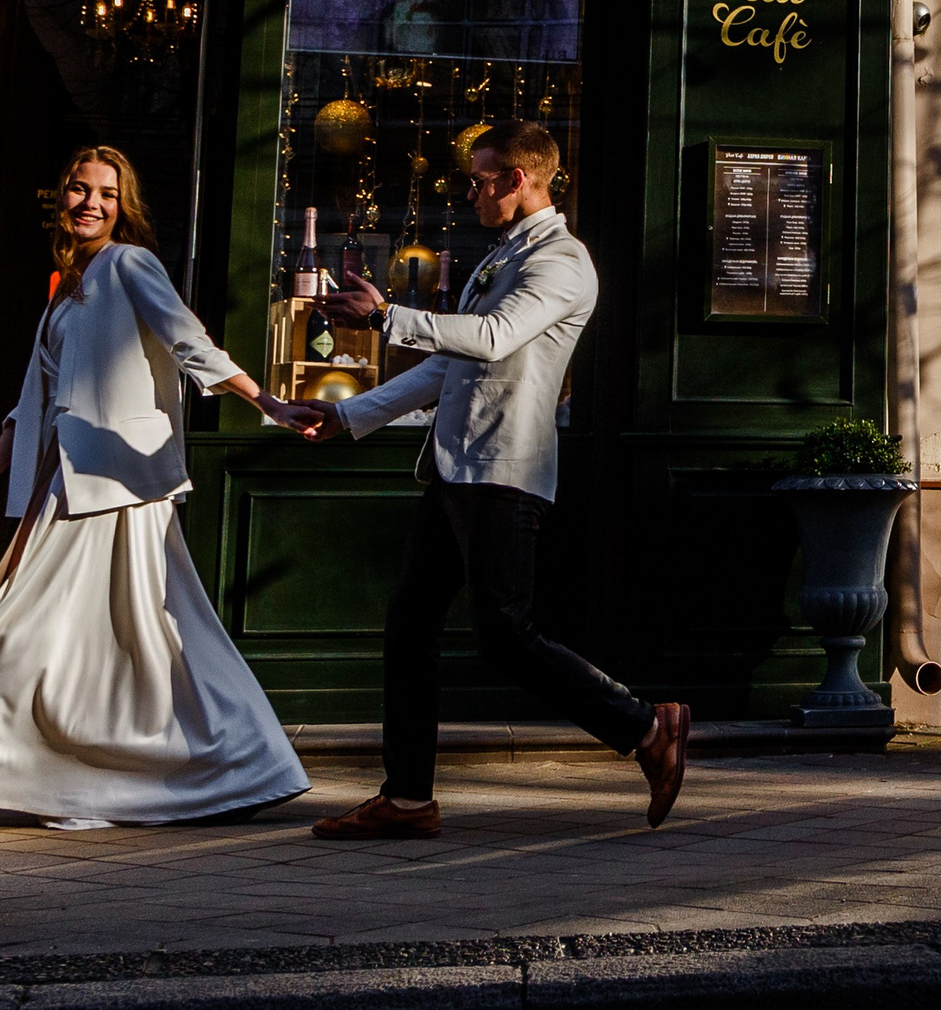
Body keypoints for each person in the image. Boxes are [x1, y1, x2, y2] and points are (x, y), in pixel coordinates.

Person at [0, 147, 313, 835]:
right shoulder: (68, 286)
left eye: (107, 194)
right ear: (60, 198)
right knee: (145, 642)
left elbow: (190, 342)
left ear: (123, 206)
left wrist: (269, 403)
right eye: (80, 190)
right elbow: (34, 403)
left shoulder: (129, 264)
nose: (91, 203)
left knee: (25, 632)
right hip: (70, 482)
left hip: (119, 486)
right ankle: (248, 766)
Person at [288, 121, 688, 838]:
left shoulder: (562, 261)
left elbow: (496, 336)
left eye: (478, 180)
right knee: (411, 624)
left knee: (506, 636)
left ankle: (645, 726)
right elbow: (452, 363)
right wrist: (349, 415)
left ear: (518, 179)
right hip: (455, 470)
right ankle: (408, 799)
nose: (469, 192)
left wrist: (387, 315)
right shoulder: (504, 256)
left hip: (504, 473)